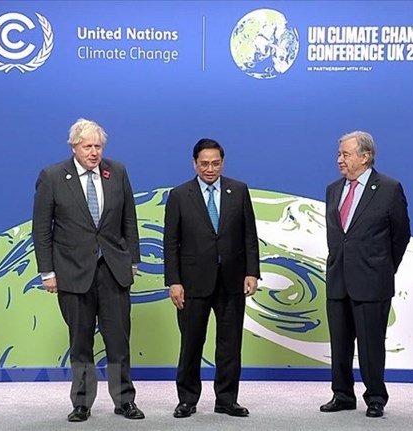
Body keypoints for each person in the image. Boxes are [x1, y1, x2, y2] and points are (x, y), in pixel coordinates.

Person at [32, 118, 144, 422]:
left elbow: (129, 220)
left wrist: (132, 260)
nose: (94, 152)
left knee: (118, 340)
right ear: (73, 147)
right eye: (87, 146)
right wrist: (47, 272)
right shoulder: (53, 176)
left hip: (114, 271)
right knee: (80, 341)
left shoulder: (116, 171)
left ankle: (124, 401)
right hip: (72, 272)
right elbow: (42, 229)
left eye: (98, 146)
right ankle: (82, 402)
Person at [164, 138, 260, 418]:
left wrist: (252, 272)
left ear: (223, 162)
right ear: (194, 163)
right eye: (204, 163)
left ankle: (227, 399)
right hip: (192, 283)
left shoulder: (238, 190)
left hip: (232, 280)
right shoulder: (180, 195)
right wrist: (174, 281)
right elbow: (170, 242)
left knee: (230, 344)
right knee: (191, 343)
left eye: (215, 163)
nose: (210, 168)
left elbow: (249, 236)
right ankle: (187, 399)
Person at [320, 131, 411, 418]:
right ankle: (342, 394)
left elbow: (401, 235)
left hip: (372, 281)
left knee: (371, 344)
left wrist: (383, 267)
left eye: (345, 154)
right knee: (340, 343)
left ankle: (375, 397)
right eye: (339, 155)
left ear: (365, 156)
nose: (340, 160)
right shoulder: (333, 189)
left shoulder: (388, 188)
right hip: (338, 279)